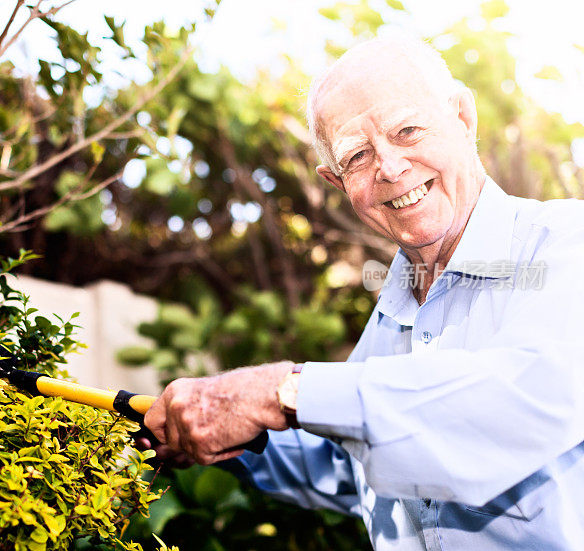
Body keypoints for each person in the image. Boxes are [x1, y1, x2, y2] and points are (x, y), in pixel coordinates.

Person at [143, 36, 584, 550]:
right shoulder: (395, 307)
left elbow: (516, 404)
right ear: (335, 181)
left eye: (409, 130)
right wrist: (212, 430)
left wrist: (281, 391)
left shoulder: (567, 245)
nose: (391, 167)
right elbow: (347, 462)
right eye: (358, 155)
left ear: (463, 116)